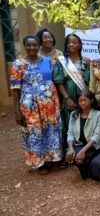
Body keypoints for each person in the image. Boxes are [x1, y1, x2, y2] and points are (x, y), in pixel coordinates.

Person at [10, 36, 62, 174]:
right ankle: (39, 162)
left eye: (34, 45)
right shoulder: (18, 64)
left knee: (50, 130)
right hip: (30, 106)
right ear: (24, 46)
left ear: (39, 46)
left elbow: (53, 81)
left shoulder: (48, 61)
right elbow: (15, 89)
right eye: (29, 45)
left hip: (49, 104)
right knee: (34, 132)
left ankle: (51, 157)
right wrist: (16, 111)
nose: (32, 48)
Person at [53, 34, 90, 152]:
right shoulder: (61, 61)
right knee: (69, 123)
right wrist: (67, 98)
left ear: (79, 45)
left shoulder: (86, 61)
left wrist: (85, 98)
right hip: (68, 95)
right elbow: (59, 82)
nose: (72, 45)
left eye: (75, 42)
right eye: (69, 42)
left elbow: (88, 81)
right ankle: (68, 149)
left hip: (82, 95)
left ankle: (82, 149)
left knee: (83, 121)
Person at [65, 90, 100, 179]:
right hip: (80, 144)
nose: (82, 103)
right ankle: (84, 165)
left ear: (91, 100)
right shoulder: (74, 114)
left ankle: (87, 168)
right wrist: (70, 148)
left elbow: (96, 136)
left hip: (93, 145)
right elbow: (70, 132)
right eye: (80, 100)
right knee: (70, 155)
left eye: (85, 100)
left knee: (80, 156)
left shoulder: (98, 114)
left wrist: (82, 151)